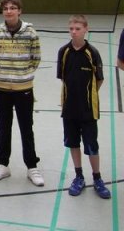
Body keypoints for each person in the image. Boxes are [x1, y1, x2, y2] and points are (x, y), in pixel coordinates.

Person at [0, 0, 44, 186]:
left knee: (26, 127)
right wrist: (7, 74)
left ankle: (32, 167)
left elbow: (35, 59)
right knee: (4, 126)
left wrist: (22, 75)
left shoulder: (31, 33)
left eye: (12, 8)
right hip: (2, 88)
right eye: (5, 8)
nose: (9, 11)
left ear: (19, 11)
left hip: (24, 89)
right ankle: (2, 164)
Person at [57, 15, 111, 199]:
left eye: (78, 29)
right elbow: (63, 78)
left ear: (86, 29)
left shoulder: (92, 52)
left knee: (91, 145)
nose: (74, 32)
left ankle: (97, 178)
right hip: (69, 108)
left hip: (88, 109)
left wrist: (88, 96)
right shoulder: (63, 51)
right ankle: (79, 176)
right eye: (71, 28)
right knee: (73, 143)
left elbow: (99, 79)